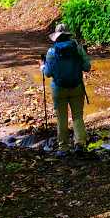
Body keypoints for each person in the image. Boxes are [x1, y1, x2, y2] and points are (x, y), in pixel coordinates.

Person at [41, 23, 91, 157]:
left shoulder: (51, 52)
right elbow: (87, 67)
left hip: (58, 89)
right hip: (77, 87)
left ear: (56, 37)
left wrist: (42, 66)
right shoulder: (78, 48)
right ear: (69, 35)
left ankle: (63, 148)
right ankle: (80, 144)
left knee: (61, 118)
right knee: (77, 117)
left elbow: (48, 74)